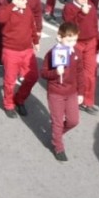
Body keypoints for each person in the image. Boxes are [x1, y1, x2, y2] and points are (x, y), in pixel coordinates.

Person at [40, 22, 84, 162]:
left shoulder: (76, 52)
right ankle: (58, 146)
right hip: (56, 93)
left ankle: (56, 135)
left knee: (73, 120)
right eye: (69, 40)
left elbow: (80, 73)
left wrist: (81, 93)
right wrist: (55, 73)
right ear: (60, 37)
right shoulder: (52, 53)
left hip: (71, 92)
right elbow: (44, 73)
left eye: (74, 40)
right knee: (57, 122)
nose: (72, 43)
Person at [0, 0, 40, 118]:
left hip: (27, 51)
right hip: (11, 51)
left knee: (33, 76)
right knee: (10, 81)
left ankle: (19, 98)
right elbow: (0, 19)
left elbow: (32, 26)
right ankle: (8, 104)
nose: (26, 1)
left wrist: (35, 41)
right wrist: (13, 5)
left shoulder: (27, 10)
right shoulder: (7, 11)